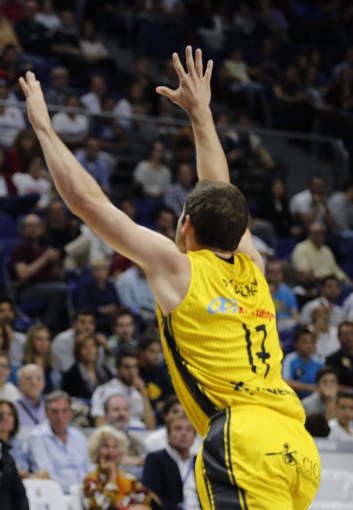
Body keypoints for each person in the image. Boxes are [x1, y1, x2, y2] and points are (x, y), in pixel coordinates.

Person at [18, 46, 320, 507]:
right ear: (238, 232)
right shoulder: (254, 266)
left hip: (244, 440)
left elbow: (87, 204)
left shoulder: (178, 266)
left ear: (185, 227)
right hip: (296, 445)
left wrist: (43, 127)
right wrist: (201, 113)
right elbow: (220, 190)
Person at [28, 390, 91, 494]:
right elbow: (47, 475)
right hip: (56, 495)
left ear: (71, 413)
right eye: (55, 411)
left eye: (64, 411)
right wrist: (76, 490)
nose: (60, 416)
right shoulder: (37, 438)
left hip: (84, 494)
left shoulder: (79, 437)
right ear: (46, 413)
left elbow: (89, 468)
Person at [82, 425, 153, 510]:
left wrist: (123, 504)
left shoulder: (127, 478)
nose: (110, 451)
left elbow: (144, 496)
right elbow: (103, 506)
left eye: (115, 446)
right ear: (96, 450)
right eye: (105, 446)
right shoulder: (90, 480)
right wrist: (112, 478)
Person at [142, 415, 201, 510]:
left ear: (194, 436)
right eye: (178, 429)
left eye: (189, 430)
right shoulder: (156, 459)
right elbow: (152, 495)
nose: (183, 433)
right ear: (168, 435)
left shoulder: (200, 461)